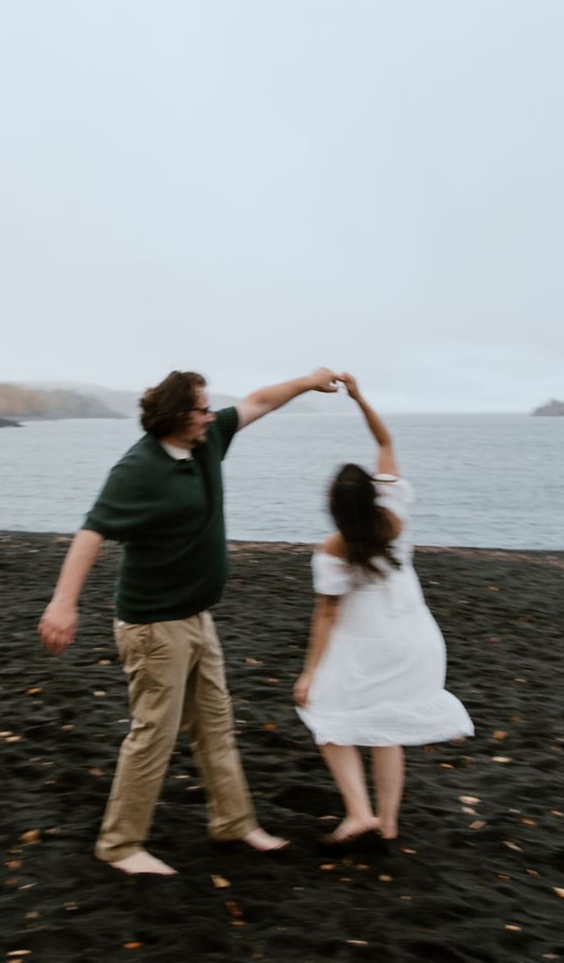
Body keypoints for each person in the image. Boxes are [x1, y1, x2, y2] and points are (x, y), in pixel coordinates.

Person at [39, 365, 341, 875]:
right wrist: (63, 603)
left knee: (216, 724)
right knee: (153, 735)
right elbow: (92, 532)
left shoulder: (207, 440)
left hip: (195, 617)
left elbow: (260, 401)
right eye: (202, 409)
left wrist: (307, 381)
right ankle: (120, 845)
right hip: (154, 627)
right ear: (178, 416)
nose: (210, 415)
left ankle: (233, 822)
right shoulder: (138, 470)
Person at [293, 374, 473, 848]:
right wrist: (359, 397)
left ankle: (359, 812)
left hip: (364, 647)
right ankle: (387, 824)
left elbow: (327, 616)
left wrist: (309, 672)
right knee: (385, 726)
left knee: (327, 718)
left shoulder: (333, 549)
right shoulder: (395, 510)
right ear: (372, 494)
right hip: (415, 641)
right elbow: (385, 441)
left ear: (335, 508)